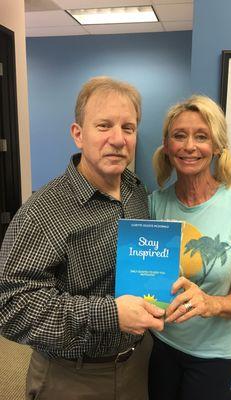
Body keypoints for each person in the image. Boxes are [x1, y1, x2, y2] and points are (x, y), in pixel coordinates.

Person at [0, 76, 165, 400]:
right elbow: (11, 306)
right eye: (104, 126)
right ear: (78, 134)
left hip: (138, 364)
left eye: (128, 128)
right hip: (72, 376)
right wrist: (110, 314)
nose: (118, 139)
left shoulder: (137, 192)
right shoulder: (42, 212)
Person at [148, 94, 231, 400]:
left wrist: (210, 303)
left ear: (216, 147)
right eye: (179, 136)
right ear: (167, 145)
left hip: (214, 355)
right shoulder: (153, 204)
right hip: (160, 345)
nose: (189, 146)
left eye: (201, 137)